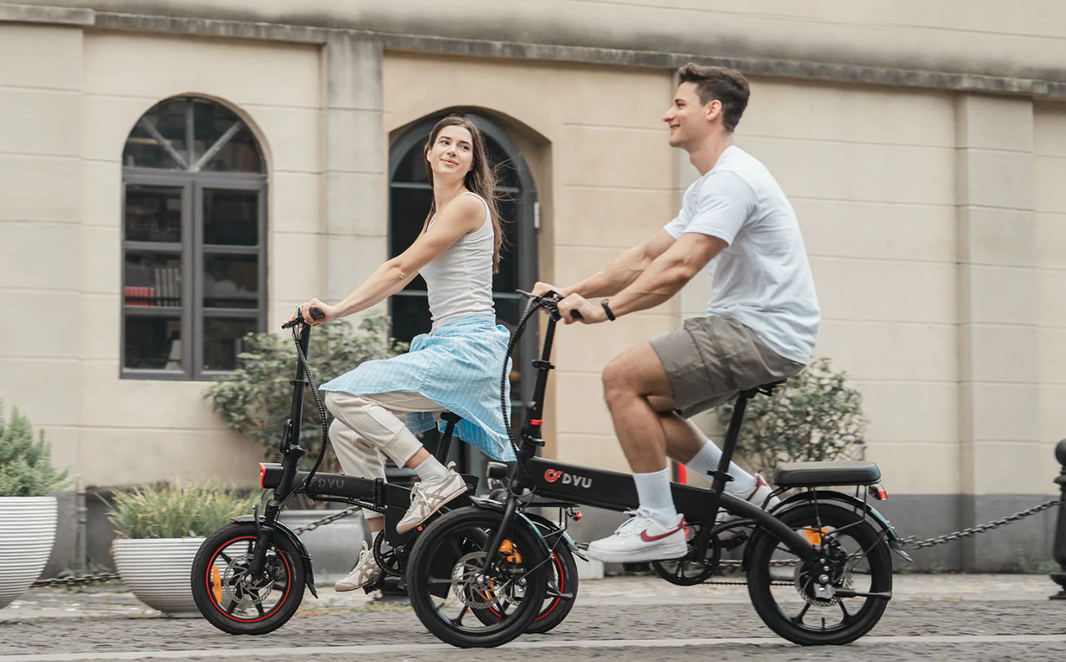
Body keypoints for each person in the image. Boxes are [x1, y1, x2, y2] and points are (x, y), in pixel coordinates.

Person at [535, 64, 820, 563]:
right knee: (646, 406)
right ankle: (746, 491)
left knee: (622, 377)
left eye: (680, 104)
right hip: (751, 328)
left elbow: (681, 267)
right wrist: (570, 291)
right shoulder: (708, 186)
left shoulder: (734, 180)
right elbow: (647, 257)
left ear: (712, 111)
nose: (668, 114)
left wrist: (604, 311)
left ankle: (661, 523)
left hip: (760, 331)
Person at [289, 114, 514, 590]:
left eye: (464, 147)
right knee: (348, 426)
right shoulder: (439, 212)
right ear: (429, 152)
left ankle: (434, 479)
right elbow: (401, 277)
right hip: (448, 344)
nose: (453, 150)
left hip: (469, 349)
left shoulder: (468, 205)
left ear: (472, 162)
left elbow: (398, 268)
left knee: (343, 397)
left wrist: (335, 309)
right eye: (445, 143)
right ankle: (381, 546)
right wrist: (338, 311)